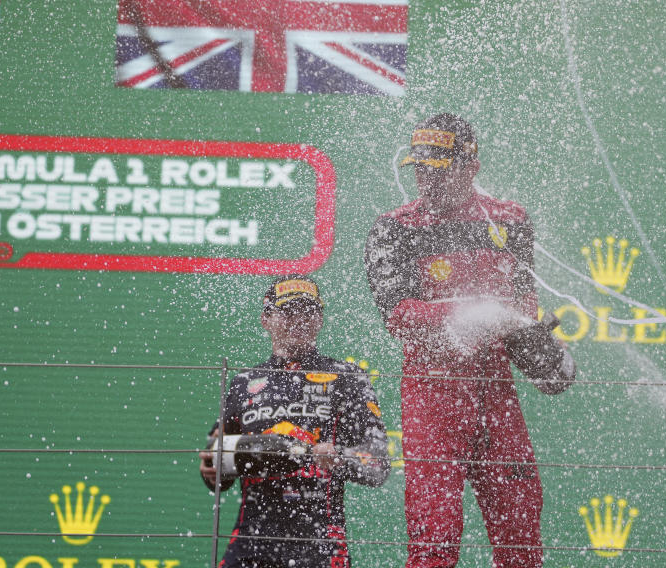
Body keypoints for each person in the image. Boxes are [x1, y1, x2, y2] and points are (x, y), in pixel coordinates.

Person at [364, 113, 569, 568]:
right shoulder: (392, 228)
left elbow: (523, 304)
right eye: (419, 168)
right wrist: (472, 310)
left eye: (438, 168)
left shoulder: (511, 219)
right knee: (434, 540)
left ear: (470, 165)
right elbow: (399, 317)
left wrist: (546, 356)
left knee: (521, 536)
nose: (426, 179)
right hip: (432, 400)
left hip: (498, 397)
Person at [199, 275, 390, 568]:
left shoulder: (348, 378)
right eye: (288, 312)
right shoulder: (243, 382)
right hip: (252, 543)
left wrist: (339, 457)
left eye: (309, 311)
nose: (299, 320)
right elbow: (217, 465)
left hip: (321, 545)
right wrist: (211, 468)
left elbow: (378, 464)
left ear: (320, 319)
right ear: (266, 319)